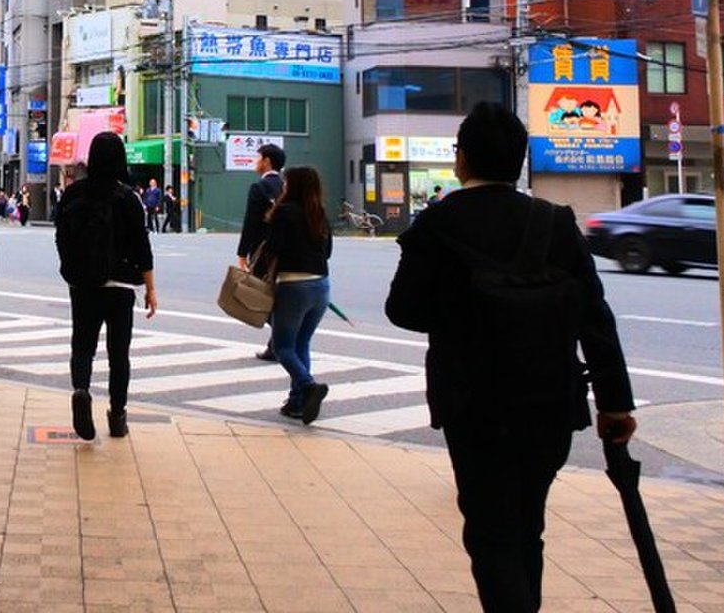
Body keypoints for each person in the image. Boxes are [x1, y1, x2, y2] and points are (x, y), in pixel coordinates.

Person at [385, 102, 636, 613]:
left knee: (490, 534)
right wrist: (615, 403)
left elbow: (403, 310)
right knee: (528, 527)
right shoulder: (554, 222)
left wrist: (461, 313)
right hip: (550, 401)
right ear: (519, 161)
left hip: (473, 404)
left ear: (463, 160)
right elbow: (595, 316)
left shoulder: (438, 223)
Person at [54, 130, 156, 441]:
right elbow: (142, 247)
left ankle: (82, 390)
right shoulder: (128, 198)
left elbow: (61, 238)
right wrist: (150, 289)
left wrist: (73, 268)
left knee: (82, 346)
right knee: (118, 353)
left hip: (83, 283)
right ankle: (117, 415)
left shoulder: (73, 194)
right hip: (121, 286)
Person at [261, 166, 333, 424]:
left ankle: (307, 385)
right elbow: (327, 253)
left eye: (286, 183)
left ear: (293, 185)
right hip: (321, 286)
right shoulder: (319, 213)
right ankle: (298, 402)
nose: (283, 186)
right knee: (301, 343)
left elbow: (273, 248)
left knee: (282, 347)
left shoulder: (284, 212)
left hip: (293, 285)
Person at [236, 142, 286, 361]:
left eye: (258, 158)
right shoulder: (287, 186)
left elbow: (251, 223)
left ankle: (281, 340)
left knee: (260, 295)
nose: (256, 163)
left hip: (262, 252)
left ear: (266, 161)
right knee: (278, 295)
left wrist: (242, 253)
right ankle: (276, 343)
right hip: (285, 249)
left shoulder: (259, 188)